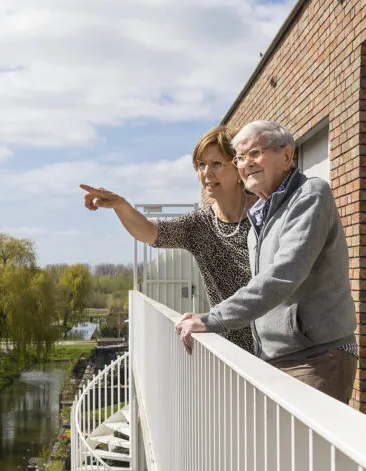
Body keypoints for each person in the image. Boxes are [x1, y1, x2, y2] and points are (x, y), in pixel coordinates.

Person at [175, 120, 357, 404]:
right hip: (274, 360)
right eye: (240, 157)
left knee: (306, 449)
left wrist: (214, 319)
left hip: (316, 359)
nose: (246, 164)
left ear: (286, 156)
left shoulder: (310, 196)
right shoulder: (261, 215)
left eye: (255, 153)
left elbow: (283, 275)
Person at [80, 125, 256, 353]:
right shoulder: (199, 225)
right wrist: (121, 206)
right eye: (200, 165)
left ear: (237, 166)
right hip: (234, 354)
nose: (206, 173)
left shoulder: (265, 214)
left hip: (280, 349)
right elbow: (149, 232)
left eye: (216, 164)